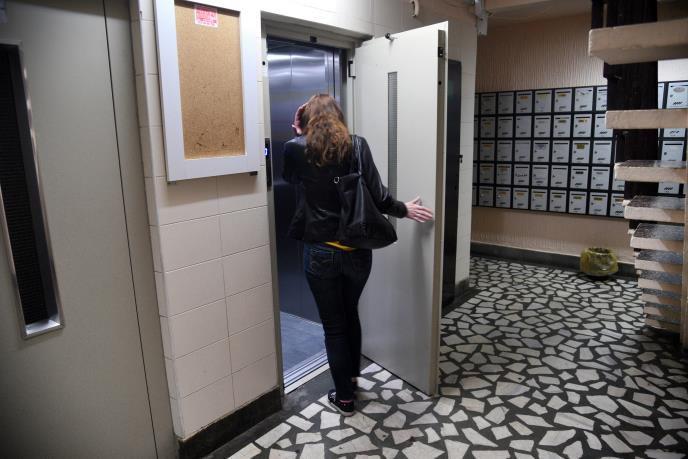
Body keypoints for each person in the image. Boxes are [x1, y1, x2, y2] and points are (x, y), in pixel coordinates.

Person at [282, 94, 433, 416]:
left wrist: (298, 131)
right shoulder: (358, 145)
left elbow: (290, 178)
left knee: (334, 326)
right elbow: (379, 197)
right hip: (358, 252)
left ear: (305, 120)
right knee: (350, 313)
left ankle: (344, 398)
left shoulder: (295, 148)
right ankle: (351, 379)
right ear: (338, 115)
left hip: (320, 252)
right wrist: (404, 210)